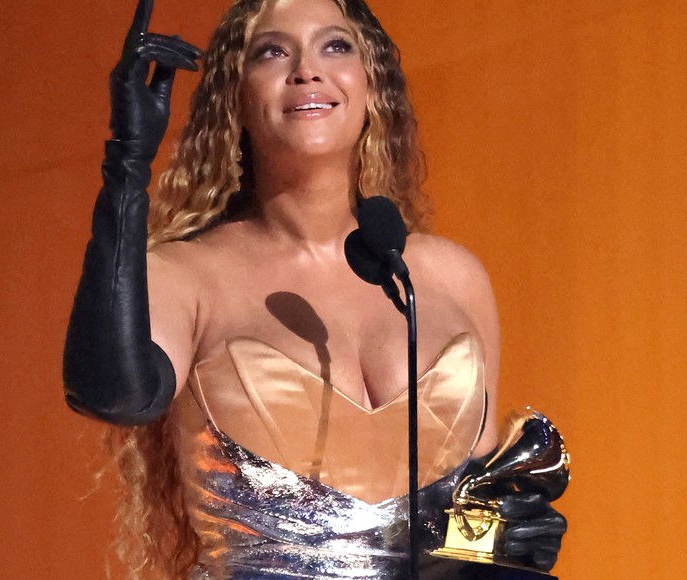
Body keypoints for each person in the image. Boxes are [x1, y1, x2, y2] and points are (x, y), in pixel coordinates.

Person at [63, 0, 567, 578]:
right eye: (272, 52)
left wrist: (506, 540)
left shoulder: (451, 276)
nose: (307, 69)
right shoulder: (186, 275)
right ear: (235, 98)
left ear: (372, 86)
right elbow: (114, 394)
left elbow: (474, 515)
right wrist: (127, 164)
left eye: (335, 45)